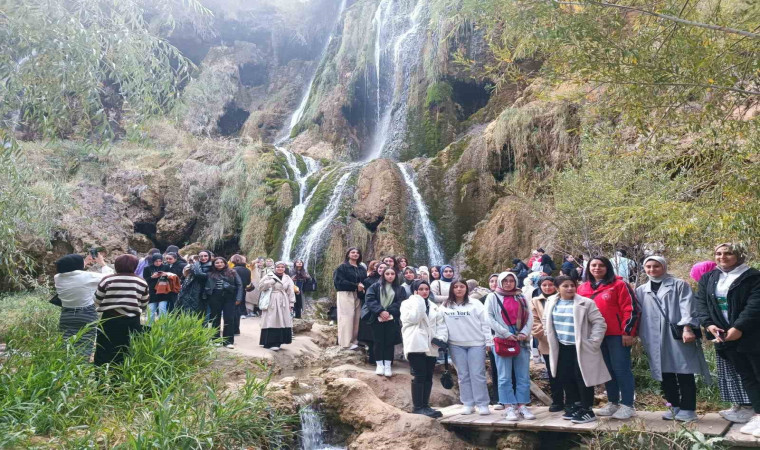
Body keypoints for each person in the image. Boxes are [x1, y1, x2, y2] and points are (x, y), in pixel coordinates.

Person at [695, 243, 760, 436]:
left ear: (739, 255)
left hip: (751, 334)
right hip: (724, 336)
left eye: (728, 253)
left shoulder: (753, 277)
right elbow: (701, 303)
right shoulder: (709, 277)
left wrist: (739, 327)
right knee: (747, 376)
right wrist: (708, 324)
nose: (722, 257)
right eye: (718, 253)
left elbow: (755, 305)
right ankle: (758, 414)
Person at [636, 256, 711, 423]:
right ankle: (674, 406)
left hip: (677, 333)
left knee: (684, 370)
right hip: (653, 335)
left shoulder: (679, 285)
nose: (652, 269)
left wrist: (687, 327)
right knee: (664, 371)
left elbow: (688, 307)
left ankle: (688, 408)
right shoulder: (641, 289)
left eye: (656, 266)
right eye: (648, 266)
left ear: (663, 266)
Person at [577, 256, 639, 420]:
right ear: (588, 268)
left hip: (617, 334)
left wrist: (628, 332)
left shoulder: (619, 285)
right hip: (595, 336)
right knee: (607, 370)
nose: (597, 268)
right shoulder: (582, 288)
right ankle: (613, 402)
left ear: (608, 267)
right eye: (593, 265)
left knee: (621, 369)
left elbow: (631, 309)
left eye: (601, 265)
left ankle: (627, 404)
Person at [690, 260, 751, 423]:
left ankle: (749, 407)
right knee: (728, 371)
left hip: (738, 333)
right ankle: (738, 404)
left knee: (743, 371)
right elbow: (702, 308)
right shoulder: (707, 288)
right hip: (719, 335)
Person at [545, 276, 610, 424]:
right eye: (565, 286)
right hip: (562, 346)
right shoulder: (551, 302)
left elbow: (599, 323)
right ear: (557, 288)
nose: (570, 289)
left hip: (581, 347)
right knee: (566, 376)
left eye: (572, 285)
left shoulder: (585, 303)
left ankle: (587, 409)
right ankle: (575, 405)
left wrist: (593, 343)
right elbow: (545, 320)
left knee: (583, 378)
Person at [485, 272, 534, 420]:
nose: (508, 283)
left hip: (521, 337)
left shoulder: (521, 296)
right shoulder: (492, 297)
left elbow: (529, 316)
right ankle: (508, 406)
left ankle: (521, 404)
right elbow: (489, 318)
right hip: (502, 337)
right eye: (505, 281)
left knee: (523, 375)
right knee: (504, 375)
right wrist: (505, 333)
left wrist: (525, 332)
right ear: (500, 282)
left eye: (511, 280)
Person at [440, 279, 492, 415]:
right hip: (456, 344)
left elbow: (485, 323)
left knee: (477, 374)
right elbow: (441, 324)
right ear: (451, 289)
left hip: (476, 343)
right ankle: (468, 403)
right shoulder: (445, 305)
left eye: (461, 286)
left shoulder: (475, 303)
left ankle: (482, 404)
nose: (458, 289)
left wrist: (488, 341)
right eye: (455, 287)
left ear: (466, 289)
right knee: (463, 375)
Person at [401, 280, 447, 418]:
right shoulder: (407, 304)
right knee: (419, 375)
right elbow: (414, 319)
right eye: (420, 289)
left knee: (428, 375)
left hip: (431, 344)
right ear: (415, 291)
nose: (424, 291)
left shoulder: (433, 306)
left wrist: (440, 338)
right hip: (416, 343)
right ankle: (418, 407)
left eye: (426, 289)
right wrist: (419, 301)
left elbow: (441, 324)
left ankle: (426, 405)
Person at [93, 255, 149, 366]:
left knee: (103, 349)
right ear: (134, 266)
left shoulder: (108, 280)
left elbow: (97, 299)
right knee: (126, 350)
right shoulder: (141, 282)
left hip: (109, 319)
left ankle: (100, 378)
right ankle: (119, 379)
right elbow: (144, 303)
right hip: (132, 321)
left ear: (116, 265)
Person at [54, 253, 114, 357]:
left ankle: (67, 370)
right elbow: (109, 278)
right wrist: (102, 263)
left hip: (66, 315)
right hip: (86, 314)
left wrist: (84, 262)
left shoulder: (58, 278)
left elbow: (71, 270)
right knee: (85, 345)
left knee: (67, 345)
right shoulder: (87, 276)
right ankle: (81, 369)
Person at [531, 275, 565, 412]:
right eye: (544, 285)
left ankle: (572, 401)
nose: (547, 287)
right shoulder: (535, 301)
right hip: (546, 342)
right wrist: (544, 334)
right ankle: (557, 401)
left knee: (567, 371)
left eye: (550, 285)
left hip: (564, 340)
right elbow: (534, 321)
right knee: (552, 372)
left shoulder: (563, 298)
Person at [364, 266, 407, 376]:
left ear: (395, 275)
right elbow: (370, 299)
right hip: (377, 318)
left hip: (391, 319)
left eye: (392, 274)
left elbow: (401, 302)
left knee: (389, 342)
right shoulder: (375, 286)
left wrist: (388, 311)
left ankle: (388, 365)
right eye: (387, 274)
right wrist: (380, 311)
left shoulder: (400, 288)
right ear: (383, 275)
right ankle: (379, 365)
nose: (390, 276)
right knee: (378, 342)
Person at [205, 257, 243, 349]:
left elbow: (239, 285)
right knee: (215, 319)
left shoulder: (232, 272)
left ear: (225, 263)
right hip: (215, 298)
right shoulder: (210, 273)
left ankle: (228, 341)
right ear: (214, 264)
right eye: (217, 263)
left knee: (229, 319)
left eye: (221, 262)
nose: (219, 264)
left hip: (229, 298)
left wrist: (238, 298)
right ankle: (215, 340)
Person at [258, 261, 297, 351]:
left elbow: (290, 291)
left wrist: (291, 303)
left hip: (283, 301)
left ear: (284, 268)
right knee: (271, 320)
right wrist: (271, 282)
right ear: (275, 268)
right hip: (271, 299)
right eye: (278, 267)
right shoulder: (268, 276)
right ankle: (268, 342)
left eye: (282, 267)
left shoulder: (287, 278)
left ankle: (278, 342)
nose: (280, 268)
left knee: (282, 320)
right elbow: (260, 287)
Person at [333, 248, 366, 350]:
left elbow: (364, 281)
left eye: (357, 253)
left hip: (358, 294)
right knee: (346, 317)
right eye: (353, 252)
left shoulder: (361, 268)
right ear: (348, 254)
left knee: (356, 317)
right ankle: (345, 343)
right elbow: (338, 282)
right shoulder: (342, 267)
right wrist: (355, 285)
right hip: (345, 294)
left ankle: (354, 341)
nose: (355, 254)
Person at [359, 261, 383, 363]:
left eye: (383, 268)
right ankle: (373, 359)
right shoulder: (368, 280)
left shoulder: (391, 281)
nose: (381, 270)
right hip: (370, 310)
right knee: (371, 336)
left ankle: (385, 360)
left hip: (386, 311)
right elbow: (363, 297)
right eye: (379, 268)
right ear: (376, 269)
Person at [143, 254, 171, 324]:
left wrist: (166, 275)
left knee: (162, 309)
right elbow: (145, 280)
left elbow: (172, 278)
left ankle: (163, 327)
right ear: (153, 261)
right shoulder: (147, 268)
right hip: (152, 291)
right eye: (156, 261)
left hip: (163, 291)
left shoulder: (166, 267)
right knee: (151, 310)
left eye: (160, 261)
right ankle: (149, 327)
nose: (158, 263)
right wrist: (152, 277)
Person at [230, 255, 251, 334]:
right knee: (238, 310)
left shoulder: (232, 270)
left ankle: (232, 329)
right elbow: (248, 282)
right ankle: (236, 329)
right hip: (243, 291)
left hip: (233, 291)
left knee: (232, 311)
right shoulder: (247, 270)